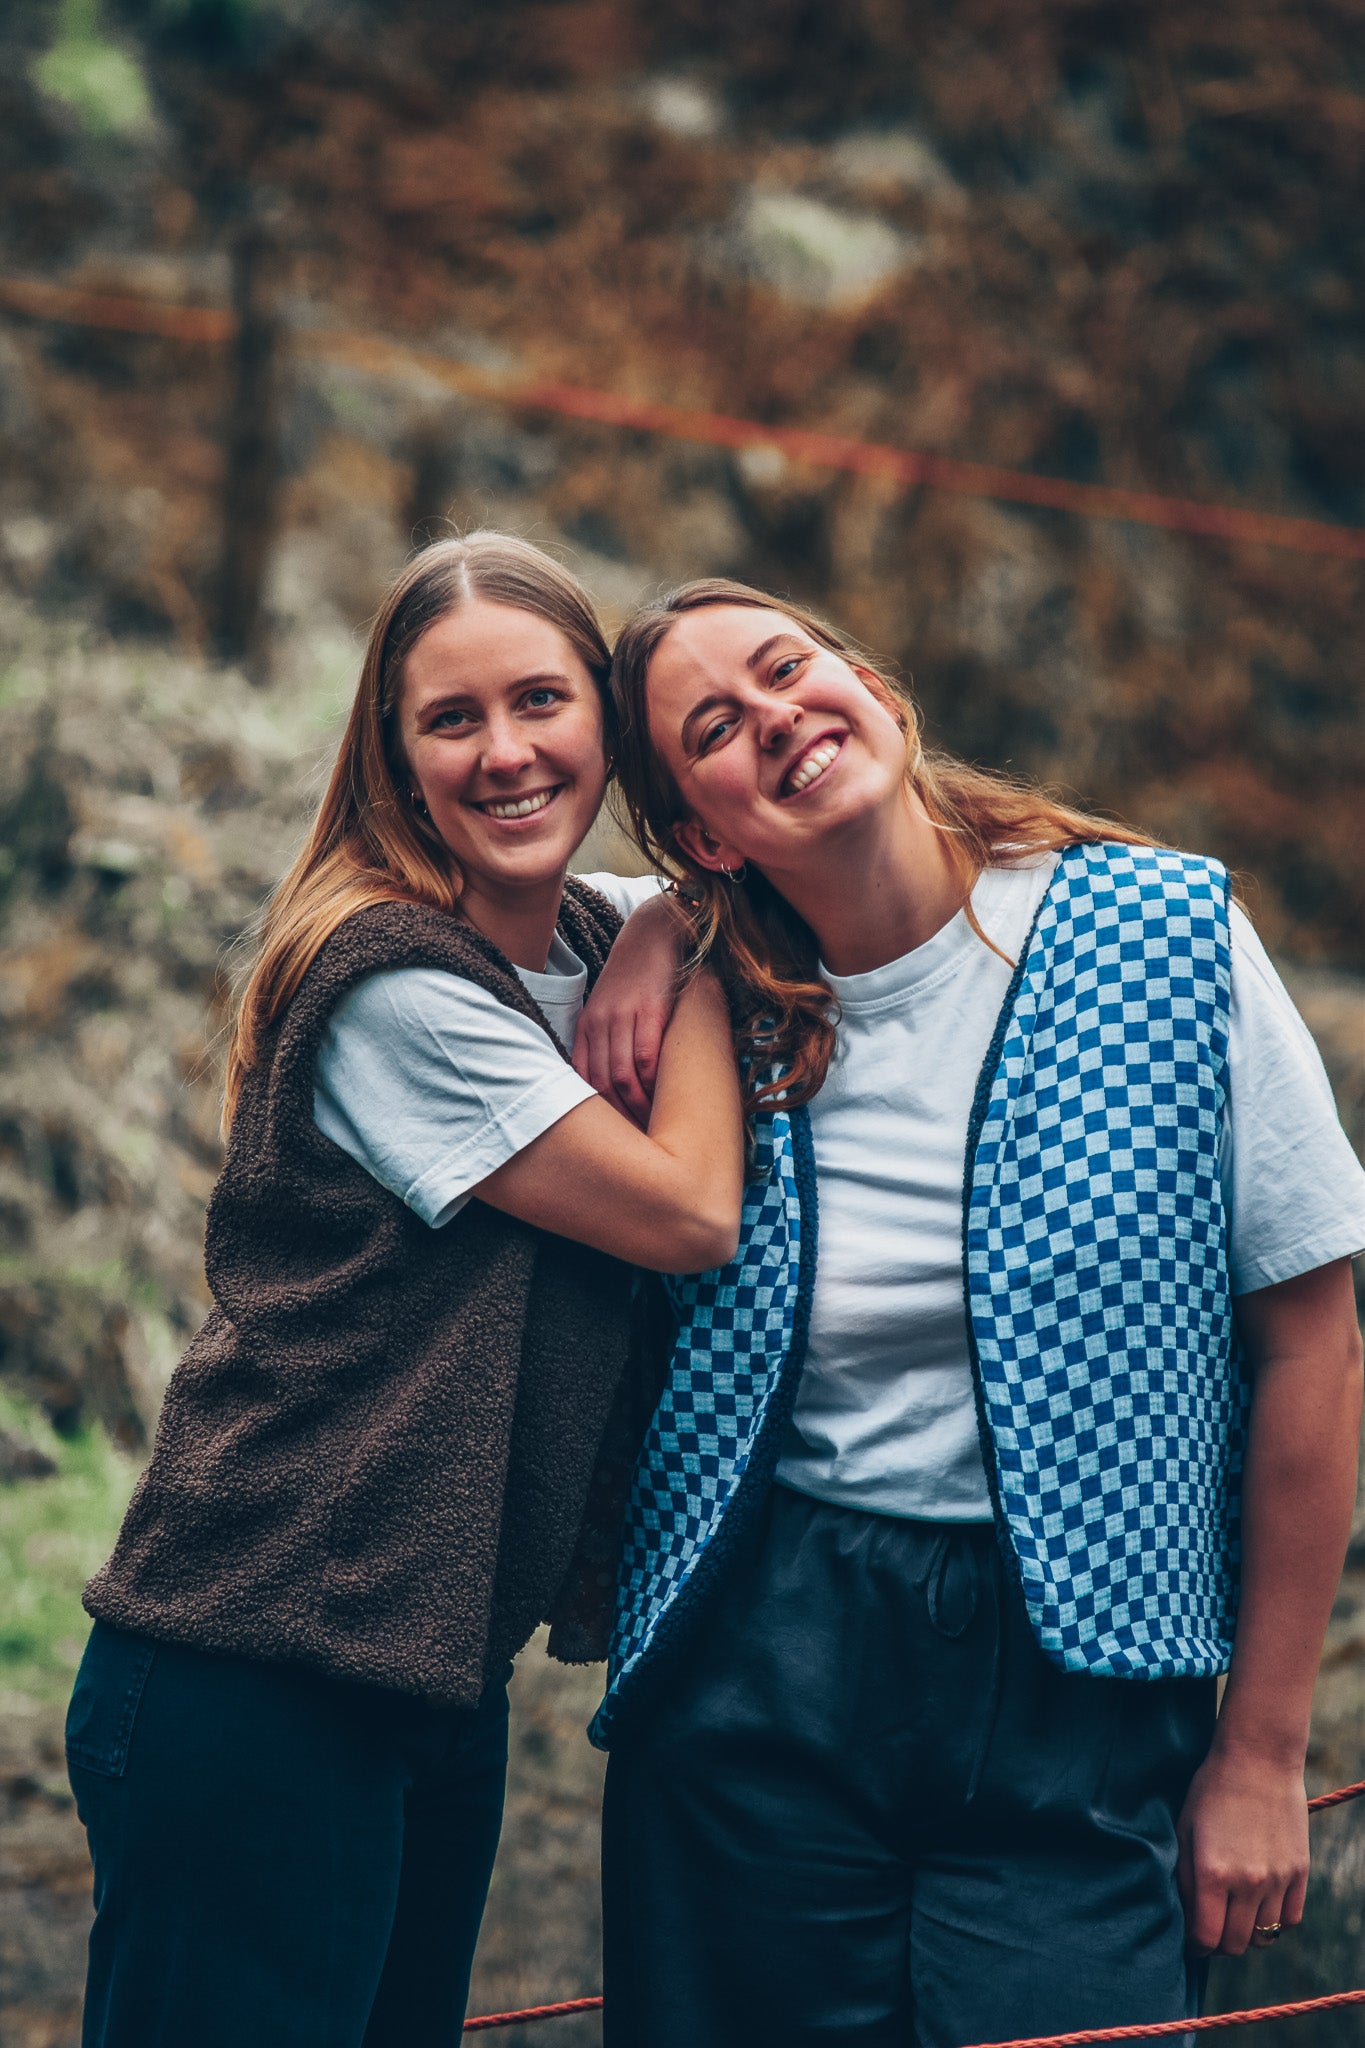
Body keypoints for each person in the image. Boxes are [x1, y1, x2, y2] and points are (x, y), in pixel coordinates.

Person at [579, 577, 1365, 2048]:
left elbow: (1311, 1349)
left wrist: (1260, 1750)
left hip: (1082, 1689)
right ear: (701, 831)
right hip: (760, 1664)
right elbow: (481, 908)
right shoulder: (712, 1003)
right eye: (715, 730)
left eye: (786, 669)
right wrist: (663, 929)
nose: (777, 721)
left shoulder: (1166, 937)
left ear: (869, 682)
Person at [65, 535, 743, 2048]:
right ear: (393, 755)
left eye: (540, 703)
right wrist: (687, 950)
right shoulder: (393, 990)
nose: (504, 753)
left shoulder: (574, 931)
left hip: (426, 1672)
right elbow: (692, 1215)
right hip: (253, 1668)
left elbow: (729, 870)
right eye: (451, 720)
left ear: (608, 729)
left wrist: (657, 924)